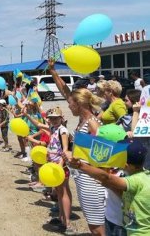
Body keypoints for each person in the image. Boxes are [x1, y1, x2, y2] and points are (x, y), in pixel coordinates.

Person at [48, 59, 107, 236]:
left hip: (91, 181)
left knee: (97, 227)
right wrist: (53, 71)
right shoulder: (83, 121)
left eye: (71, 104)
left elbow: (102, 157)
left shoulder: (93, 124)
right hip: (82, 177)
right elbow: (66, 91)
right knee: (93, 225)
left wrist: (76, 159)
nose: (68, 106)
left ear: (79, 104)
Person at [65, 142, 150, 236]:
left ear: (125, 165)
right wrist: (110, 185)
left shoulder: (135, 181)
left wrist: (80, 166)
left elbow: (106, 177)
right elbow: (126, 196)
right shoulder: (145, 175)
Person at [26, 107, 75, 234]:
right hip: (52, 164)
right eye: (51, 118)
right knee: (58, 192)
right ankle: (61, 218)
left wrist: (60, 164)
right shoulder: (53, 128)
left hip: (60, 165)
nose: (53, 120)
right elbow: (38, 124)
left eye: (55, 118)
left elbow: (65, 150)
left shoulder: (63, 130)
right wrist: (27, 114)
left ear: (61, 118)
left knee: (63, 191)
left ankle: (67, 223)